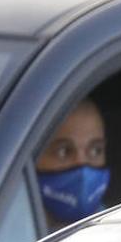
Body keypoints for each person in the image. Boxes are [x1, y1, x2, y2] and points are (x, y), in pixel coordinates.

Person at [35, 98, 109, 231]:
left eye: (95, 150)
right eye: (63, 151)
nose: (82, 165)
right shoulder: (11, 230)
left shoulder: (116, 231)